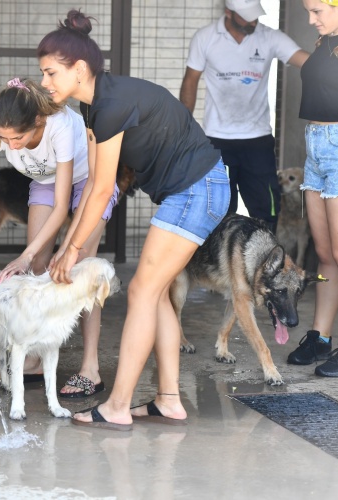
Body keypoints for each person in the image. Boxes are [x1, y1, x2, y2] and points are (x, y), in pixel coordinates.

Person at [39, 10, 231, 429]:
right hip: (194, 191)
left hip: (197, 189)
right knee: (155, 292)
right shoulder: (94, 109)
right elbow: (92, 187)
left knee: (143, 289)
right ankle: (168, 400)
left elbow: (106, 189)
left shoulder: (110, 106)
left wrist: (72, 251)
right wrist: (68, 245)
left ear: (80, 69)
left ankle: (118, 405)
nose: (45, 83)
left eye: (52, 73)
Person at [0, 78, 120, 397]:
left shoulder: (60, 125)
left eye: (18, 138)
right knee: (37, 266)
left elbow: (61, 207)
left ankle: (90, 368)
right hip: (44, 180)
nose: (10, 146)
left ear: (38, 121)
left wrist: (36, 252)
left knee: (80, 268)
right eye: (4, 139)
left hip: (88, 183)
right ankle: (35, 358)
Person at [179, 0, 309, 233]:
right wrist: (183, 128)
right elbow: (190, 81)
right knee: (220, 212)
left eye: (255, 15)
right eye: (246, 16)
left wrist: (330, 57)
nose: (253, 21)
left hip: (257, 141)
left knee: (266, 209)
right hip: (218, 141)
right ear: (229, 12)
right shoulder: (205, 37)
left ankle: (266, 261)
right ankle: (221, 264)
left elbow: (305, 61)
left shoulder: (270, 37)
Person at [286, 0, 338, 377]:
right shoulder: (325, 43)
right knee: (324, 253)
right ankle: (320, 336)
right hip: (316, 147)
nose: (310, 19)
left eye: (317, 10)